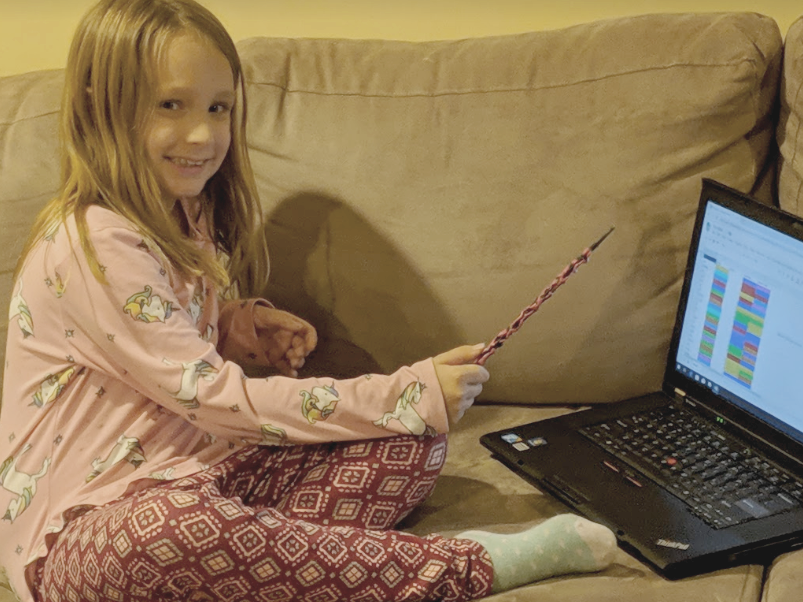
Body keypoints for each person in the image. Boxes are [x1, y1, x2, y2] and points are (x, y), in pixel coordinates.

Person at [0, 1, 617, 600]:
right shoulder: (92, 244)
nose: (203, 134)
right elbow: (218, 401)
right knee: (164, 535)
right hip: (85, 535)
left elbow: (148, 351)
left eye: (219, 108)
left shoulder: (185, 210)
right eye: (170, 105)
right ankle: (468, 565)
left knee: (413, 442)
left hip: (197, 473)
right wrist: (403, 392)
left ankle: (263, 567)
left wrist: (231, 327)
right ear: (98, 106)